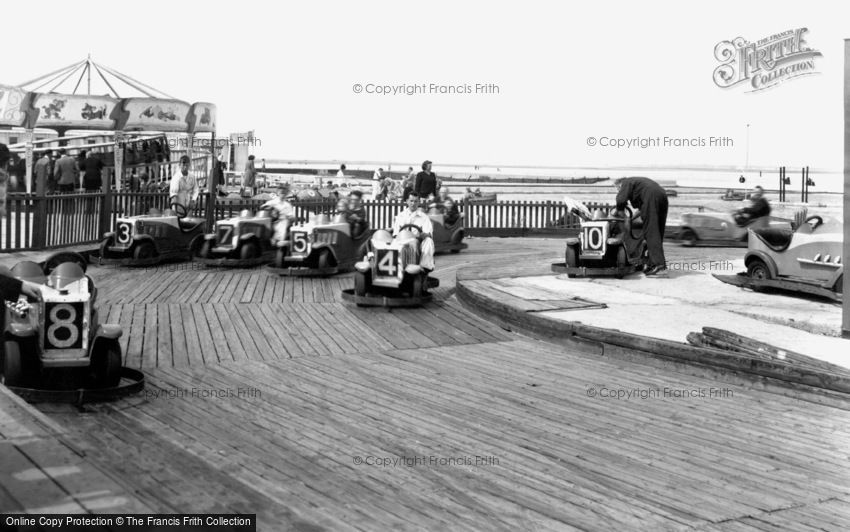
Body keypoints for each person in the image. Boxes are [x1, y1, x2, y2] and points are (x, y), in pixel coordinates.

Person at [614, 176, 668, 276]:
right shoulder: (638, 185)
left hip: (652, 197)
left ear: (620, 185)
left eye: (618, 189)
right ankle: (654, 264)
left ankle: (658, 265)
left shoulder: (626, 183)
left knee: (651, 232)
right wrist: (631, 218)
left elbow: (620, 201)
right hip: (662, 195)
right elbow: (642, 208)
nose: (618, 191)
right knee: (658, 231)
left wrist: (624, 218)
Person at [392, 196, 435, 272]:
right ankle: (393, 264)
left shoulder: (424, 217)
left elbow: (428, 232)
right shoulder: (401, 216)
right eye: (411, 201)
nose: (413, 203)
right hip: (402, 240)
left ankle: (425, 266)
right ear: (407, 201)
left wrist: (423, 235)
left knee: (428, 241)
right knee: (394, 241)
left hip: (417, 242)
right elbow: (396, 233)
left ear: (418, 202)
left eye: (415, 201)